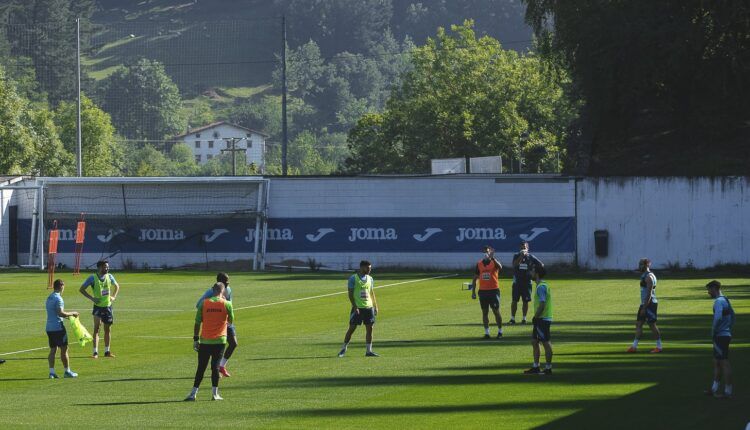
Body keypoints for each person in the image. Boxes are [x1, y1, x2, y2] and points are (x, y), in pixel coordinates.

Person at [185, 282, 235, 401]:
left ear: (213, 290)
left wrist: (196, 339)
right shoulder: (227, 304)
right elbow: (231, 321)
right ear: (223, 291)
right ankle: (214, 394)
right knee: (215, 367)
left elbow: (197, 322)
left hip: (205, 341)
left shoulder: (204, 303)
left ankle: (193, 393)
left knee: (201, 367)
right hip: (219, 341)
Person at [196, 273, 237, 377]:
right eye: (226, 282)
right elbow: (199, 305)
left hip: (226, 322)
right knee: (215, 348)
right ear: (219, 282)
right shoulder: (210, 292)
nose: (228, 284)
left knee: (233, 343)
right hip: (217, 324)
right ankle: (216, 368)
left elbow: (229, 304)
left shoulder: (229, 289)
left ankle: (221, 366)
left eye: (228, 282)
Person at [338, 260, 379, 357]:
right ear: (362, 267)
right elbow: (350, 294)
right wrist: (355, 306)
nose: (370, 270)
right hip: (358, 308)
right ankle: (343, 349)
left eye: (370, 268)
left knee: (370, 329)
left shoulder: (370, 279)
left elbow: (372, 293)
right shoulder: (353, 278)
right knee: (352, 328)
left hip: (369, 308)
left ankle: (369, 351)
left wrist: (375, 306)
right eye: (368, 268)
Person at [79, 260, 120, 358]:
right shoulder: (92, 278)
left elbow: (117, 286)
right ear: (100, 267)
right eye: (105, 267)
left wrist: (113, 296)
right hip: (98, 307)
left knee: (108, 329)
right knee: (97, 329)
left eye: (107, 267)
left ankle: (107, 351)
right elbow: (81, 289)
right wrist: (92, 298)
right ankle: (95, 352)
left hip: (108, 307)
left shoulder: (110, 276)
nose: (107, 268)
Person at [704, 280, 735, 399]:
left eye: (709, 289)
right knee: (717, 362)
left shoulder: (718, 302)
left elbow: (717, 317)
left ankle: (728, 391)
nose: (708, 292)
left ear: (714, 289)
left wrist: (714, 330)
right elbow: (733, 316)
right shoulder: (726, 299)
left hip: (720, 336)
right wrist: (728, 328)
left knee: (724, 362)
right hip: (725, 334)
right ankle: (714, 389)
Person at [627, 258, 662, 353]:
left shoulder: (649, 277)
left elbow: (649, 293)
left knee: (652, 325)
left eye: (641, 264)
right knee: (638, 324)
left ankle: (659, 347)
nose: (639, 266)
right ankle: (634, 347)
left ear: (646, 265)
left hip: (649, 304)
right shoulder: (645, 275)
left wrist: (645, 307)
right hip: (644, 303)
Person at [46, 279, 80, 378]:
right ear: (61, 286)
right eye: (63, 286)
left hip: (49, 327)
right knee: (64, 349)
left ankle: (51, 373)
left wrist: (68, 317)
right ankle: (67, 371)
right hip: (58, 327)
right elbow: (60, 312)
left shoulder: (49, 297)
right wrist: (73, 313)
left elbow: (54, 312)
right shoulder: (58, 298)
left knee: (53, 349)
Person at [524, 264, 553, 375]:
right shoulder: (541, 285)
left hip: (542, 319)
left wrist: (536, 317)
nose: (530, 273)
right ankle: (536, 367)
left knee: (546, 342)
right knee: (534, 341)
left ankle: (548, 368)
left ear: (536, 274)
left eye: (532, 271)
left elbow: (542, 303)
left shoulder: (541, 287)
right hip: (540, 318)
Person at [471, 245, 503, 339]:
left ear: (490, 252)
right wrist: (473, 292)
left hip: (493, 290)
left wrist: (493, 258)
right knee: (484, 312)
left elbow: (500, 267)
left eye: (487, 251)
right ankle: (487, 333)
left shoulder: (494, 262)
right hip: (483, 291)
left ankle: (500, 331)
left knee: (496, 311)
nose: (486, 253)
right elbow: (475, 278)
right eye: (484, 251)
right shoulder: (479, 264)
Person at [510, 241, 543, 325]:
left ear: (527, 248)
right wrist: (521, 257)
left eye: (524, 247)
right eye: (521, 247)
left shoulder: (531, 257)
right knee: (514, 301)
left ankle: (524, 319)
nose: (523, 249)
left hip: (527, 282)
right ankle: (512, 319)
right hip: (517, 282)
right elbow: (514, 265)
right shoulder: (516, 256)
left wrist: (534, 272)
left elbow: (541, 265)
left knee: (526, 301)